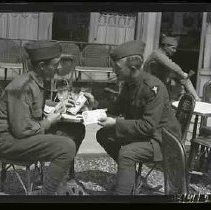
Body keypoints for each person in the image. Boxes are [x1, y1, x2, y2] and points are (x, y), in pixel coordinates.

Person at [0, 41, 94, 195]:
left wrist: (57, 106)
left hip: (21, 134)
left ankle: (61, 182)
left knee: (75, 129)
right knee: (66, 146)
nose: (59, 68)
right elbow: (21, 130)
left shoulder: (38, 81)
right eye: (55, 64)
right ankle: (48, 193)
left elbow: (32, 112)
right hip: (8, 141)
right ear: (42, 66)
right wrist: (49, 121)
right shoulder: (21, 87)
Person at [96, 40, 182, 195]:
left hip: (162, 140)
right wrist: (93, 104)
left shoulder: (152, 87)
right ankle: (133, 179)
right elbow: (116, 107)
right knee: (103, 135)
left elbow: (148, 126)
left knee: (127, 153)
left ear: (133, 67)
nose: (114, 71)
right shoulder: (129, 83)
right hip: (146, 135)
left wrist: (115, 123)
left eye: (118, 68)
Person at [143, 34, 200, 101]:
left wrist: (182, 78)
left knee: (182, 82)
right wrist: (183, 74)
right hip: (149, 86)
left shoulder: (163, 56)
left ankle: (197, 99)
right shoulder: (157, 54)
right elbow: (173, 66)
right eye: (173, 48)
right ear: (166, 46)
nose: (174, 51)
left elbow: (173, 71)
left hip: (158, 85)